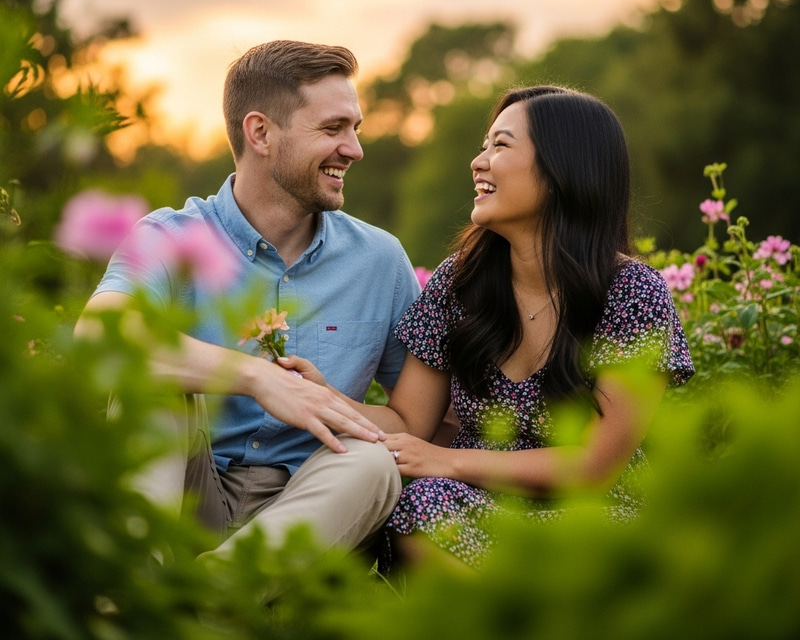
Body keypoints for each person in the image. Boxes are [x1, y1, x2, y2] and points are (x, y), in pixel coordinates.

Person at [287, 85, 695, 567]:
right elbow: (409, 424)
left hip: (592, 518)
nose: (478, 162)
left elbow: (596, 465)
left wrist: (447, 461)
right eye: (484, 145)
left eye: (500, 146)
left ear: (562, 169)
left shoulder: (631, 291)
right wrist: (324, 399)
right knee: (417, 505)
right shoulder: (458, 284)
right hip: (475, 508)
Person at [75, 40, 420, 559]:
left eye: (355, 128)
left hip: (309, 508)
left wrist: (328, 402)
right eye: (333, 128)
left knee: (373, 463)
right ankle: (150, 578)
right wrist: (257, 378)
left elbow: (416, 425)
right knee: (155, 384)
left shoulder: (381, 260)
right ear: (260, 133)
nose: (354, 149)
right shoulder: (170, 237)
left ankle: (199, 598)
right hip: (186, 498)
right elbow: (99, 338)